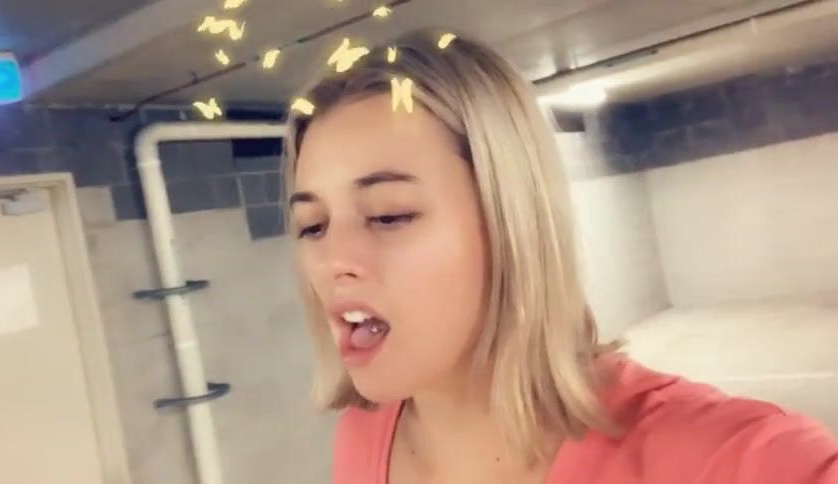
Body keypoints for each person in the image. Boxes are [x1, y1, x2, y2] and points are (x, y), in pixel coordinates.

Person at [283, 29, 838, 484]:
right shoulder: (365, 434)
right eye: (312, 226)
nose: (332, 261)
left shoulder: (732, 460)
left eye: (387, 215)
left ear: (512, 222)